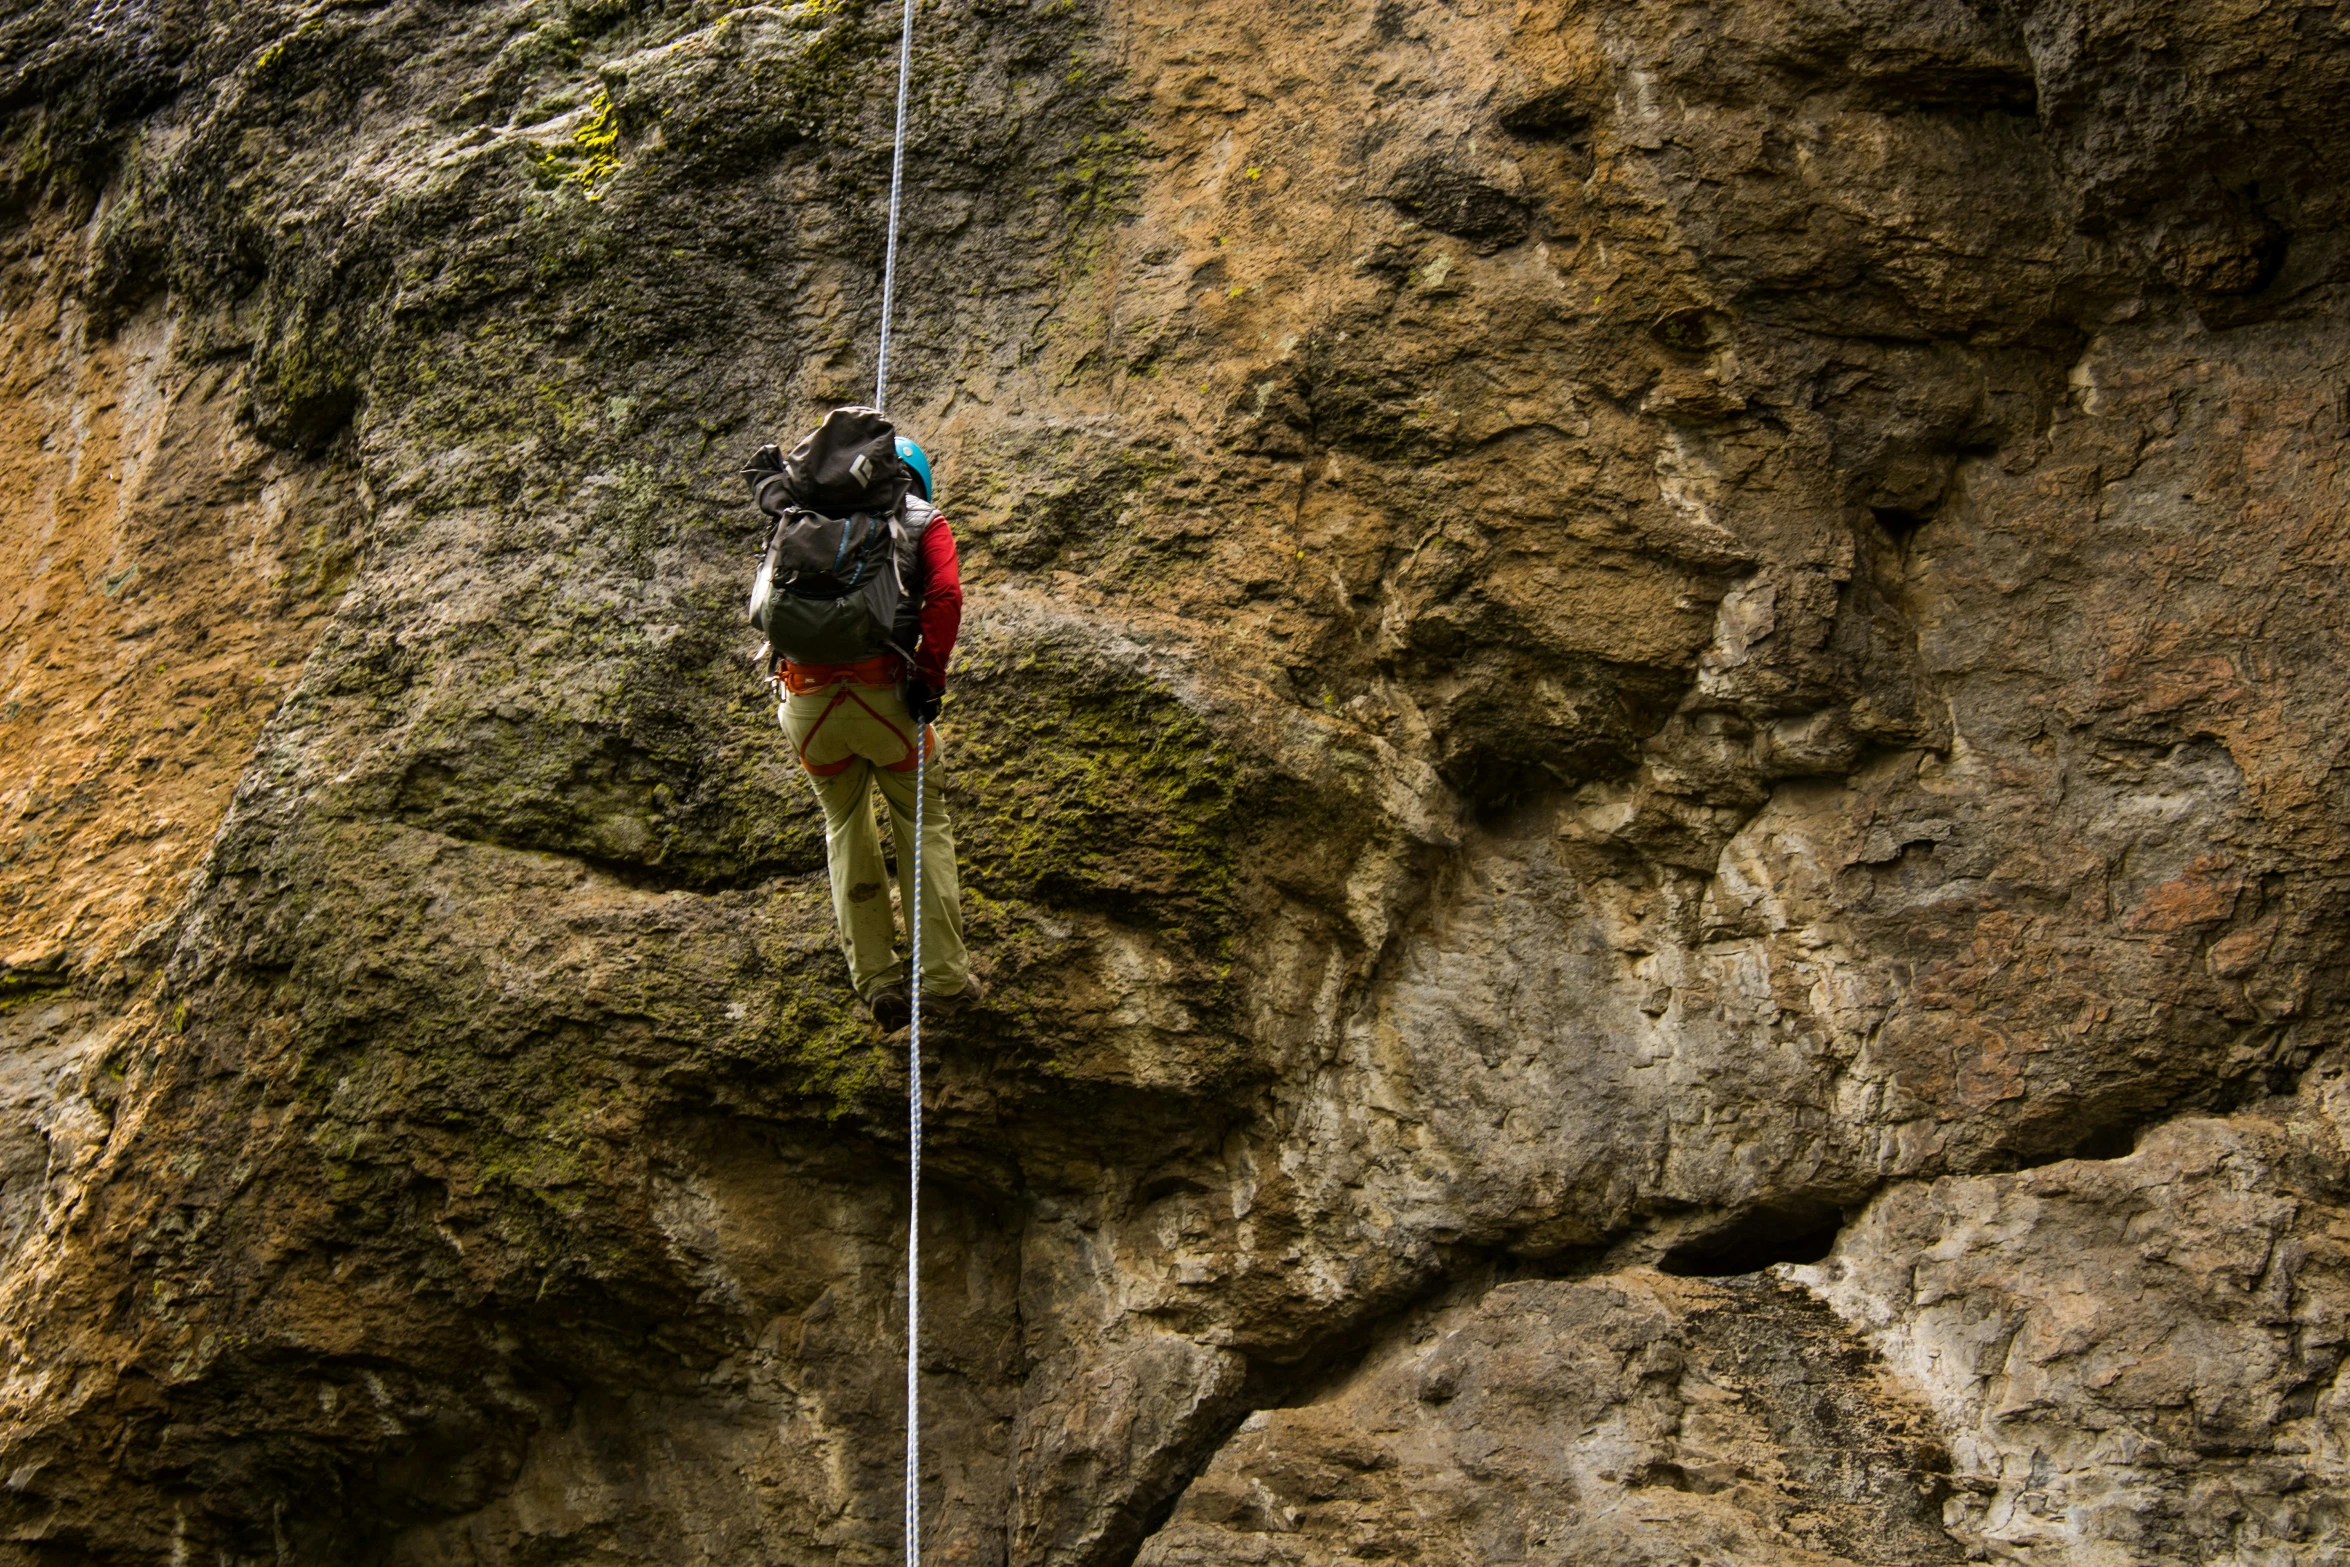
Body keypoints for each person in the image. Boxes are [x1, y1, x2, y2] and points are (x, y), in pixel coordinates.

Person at [742, 407, 980, 1033]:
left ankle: (877, 982)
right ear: (918, 481)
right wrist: (929, 679)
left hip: (808, 703)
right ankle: (944, 979)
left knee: (845, 825)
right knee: (921, 821)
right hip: (885, 699)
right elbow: (946, 600)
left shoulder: (804, 517)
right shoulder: (924, 522)